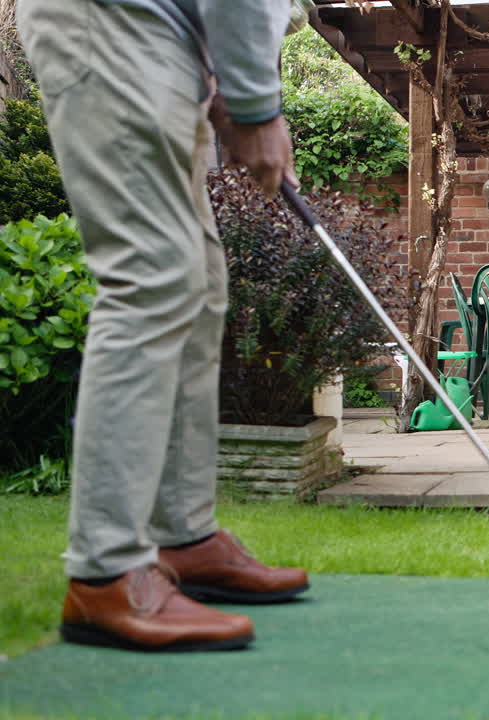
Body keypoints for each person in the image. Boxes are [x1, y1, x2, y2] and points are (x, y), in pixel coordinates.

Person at [17, 0, 309, 652]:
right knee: (152, 277)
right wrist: (257, 108)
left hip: (162, 37)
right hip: (112, 24)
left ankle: (184, 537)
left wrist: (224, 79)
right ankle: (105, 573)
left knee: (198, 286)